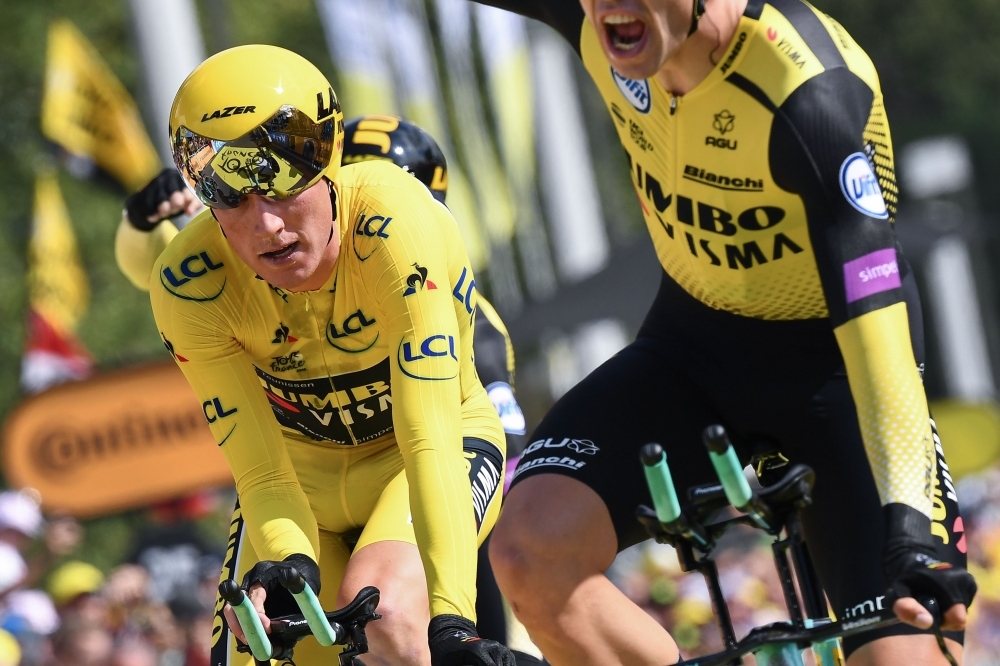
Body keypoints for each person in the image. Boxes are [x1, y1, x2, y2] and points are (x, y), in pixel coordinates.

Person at [469, 1, 977, 665]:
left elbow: (880, 342)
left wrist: (911, 526)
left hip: (836, 372)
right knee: (530, 548)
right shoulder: (603, 18)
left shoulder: (809, 95)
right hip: (692, 351)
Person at [147, 45, 513, 666]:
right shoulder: (187, 283)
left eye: (281, 182)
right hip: (302, 487)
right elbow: (260, 474)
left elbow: (428, 435)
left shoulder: (395, 223)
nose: (265, 225)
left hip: (425, 452)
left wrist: (455, 623)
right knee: (267, 651)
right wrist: (289, 558)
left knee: (391, 618)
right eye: (228, 195)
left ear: (327, 160)